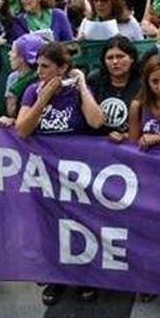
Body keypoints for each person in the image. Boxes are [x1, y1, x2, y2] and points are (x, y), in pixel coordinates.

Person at [15, 42, 104, 304]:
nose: (39, 71)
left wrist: (82, 86)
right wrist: (43, 98)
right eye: (38, 66)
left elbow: (96, 121)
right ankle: (56, 276)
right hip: (45, 172)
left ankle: (84, 275)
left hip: (76, 172)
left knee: (79, 223)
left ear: (63, 68)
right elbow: (22, 129)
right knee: (49, 225)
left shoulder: (75, 92)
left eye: (46, 67)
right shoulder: (32, 91)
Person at [87, 36, 141, 138]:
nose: (115, 62)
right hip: (97, 142)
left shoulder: (143, 83)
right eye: (110, 58)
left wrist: (125, 136)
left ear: (132, 58)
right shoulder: (94, 80)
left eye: (120, 56)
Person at [77, 0, 143, 41]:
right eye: (95, 0)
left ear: (114, 1)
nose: (99, 4)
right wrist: (80, 43)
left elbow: (141, 49)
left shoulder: (129, 22)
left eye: (104, 0)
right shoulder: (87, 22)